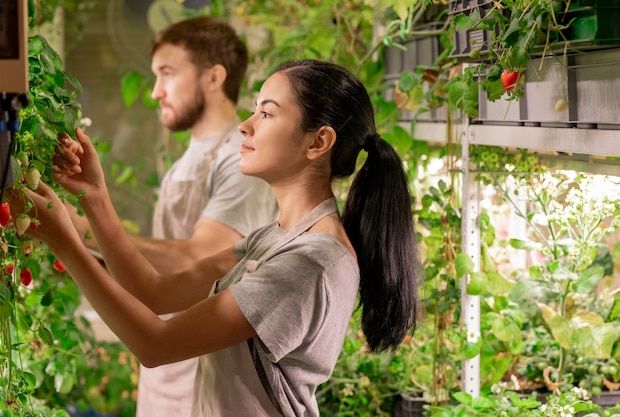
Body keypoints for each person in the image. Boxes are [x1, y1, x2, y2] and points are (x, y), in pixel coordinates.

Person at [11, 59, 421, 417]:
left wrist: (66, 242)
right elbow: (154, 291)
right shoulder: (275, 239)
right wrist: (96, 201)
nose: (245, 124)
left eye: (266, 113)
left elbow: (155, 345)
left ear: (319, 142)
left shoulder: (310, 262)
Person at [63, 16, 278, 417]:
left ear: (214, 78)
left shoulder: (238, 159)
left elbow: (197, 262)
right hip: (163, 377)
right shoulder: (191, 157)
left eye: (167, 73)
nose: (156, 92)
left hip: (199, 378)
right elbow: (155, 274)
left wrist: (84, 231)